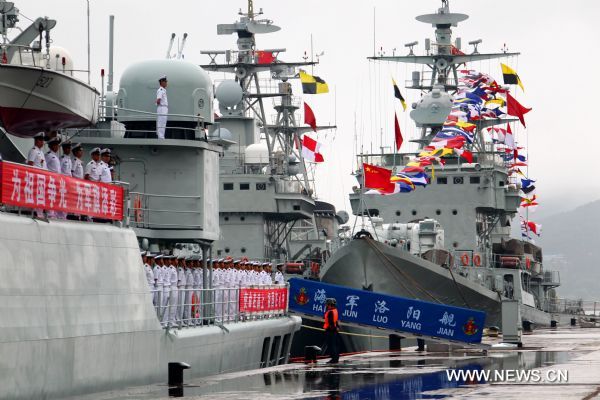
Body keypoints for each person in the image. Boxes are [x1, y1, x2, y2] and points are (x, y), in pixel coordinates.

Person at [323, 298, 340, 364]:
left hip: (330, 331)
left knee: (331, 345)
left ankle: (334, 359)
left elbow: (331, 323)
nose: (326, 306)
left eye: (327, 304)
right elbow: (336, 321)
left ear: (330, 304)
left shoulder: (330, 312)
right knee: (335, 345)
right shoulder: (335, 310)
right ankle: (336, 358)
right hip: (334, 330)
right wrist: (337, 327)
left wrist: (333, 329)